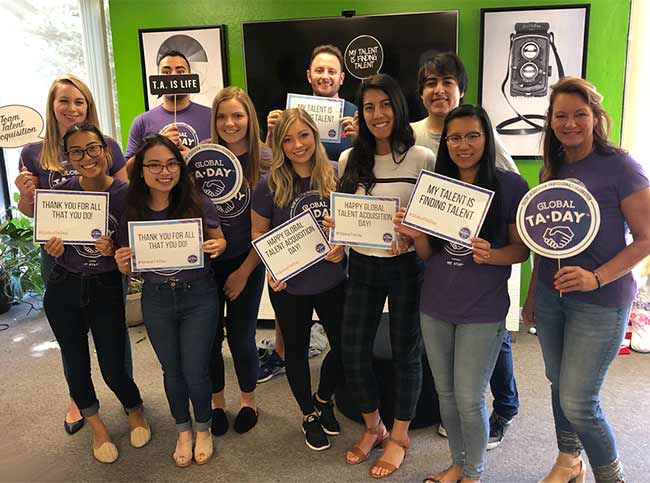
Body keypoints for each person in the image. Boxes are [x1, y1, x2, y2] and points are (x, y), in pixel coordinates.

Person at [522, 77, 650, 483]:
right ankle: (568, 461)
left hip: (603, 299)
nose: (570, 123)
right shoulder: (552, 167)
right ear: (551, 121)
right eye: (561, 115)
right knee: (559, 383)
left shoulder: (622, 166)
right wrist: (530, 297)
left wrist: (596, 277)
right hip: (551, 295)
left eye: (580, 114)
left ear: (596, 117)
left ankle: (611, 476)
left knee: (579, 399)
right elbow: (543, 242)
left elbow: (647, 239)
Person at [395, 105, 529, 483]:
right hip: (435, 305)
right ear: (445, 142)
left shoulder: (510, 185)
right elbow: (427, 255)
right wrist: (417, 235)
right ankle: (458, 462)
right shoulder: (435, 185)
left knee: (469, 398)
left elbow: (522, 251)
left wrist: (493, 254)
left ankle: (473, 471)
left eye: (473, 135)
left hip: (482, 310)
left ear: (487, 138)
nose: (463, 144)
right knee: (446, 395)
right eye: (455, 137)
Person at [413, 52, 520, 447]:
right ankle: (460, 432)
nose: (438, 90)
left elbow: (509, 194)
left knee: (488, 352)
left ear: (460, 90)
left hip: (484, 279)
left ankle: (505, 409)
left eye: (446, 82)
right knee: (450, 379)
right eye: (430, 83)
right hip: (440, 270)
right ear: (421, 92)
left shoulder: (493, 153)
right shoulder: (415, 138)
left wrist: (493, 251)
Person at [14, 74, 129, 436]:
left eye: (79, 102)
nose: (72, 108)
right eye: (64, 101)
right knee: (70, 332)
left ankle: (125, 392)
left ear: (88, 106)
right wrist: (25, 194)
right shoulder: (34, 152)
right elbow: (31, 212)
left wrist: (116, 241)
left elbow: (125, 200)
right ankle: (79, 399)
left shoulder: (106, 144)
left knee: (113, 331)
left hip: (104, 255)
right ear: (52, 105)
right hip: (58, 255)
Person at [336, 73, 434, 478]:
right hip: (362, 264)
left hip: (405, 266)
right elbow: (347, 217)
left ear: (398, 105)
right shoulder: (348, 160)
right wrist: (335, 227)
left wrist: (412, 233)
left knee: (405, 351)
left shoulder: (423, 158)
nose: (378, 114)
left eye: (385, 104)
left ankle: (399, 436)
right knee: (352, 349)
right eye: (369, 107)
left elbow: (431, 223)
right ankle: (373, 425)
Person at [33, 123, 149, 464]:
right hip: (63, 286)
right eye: (77, 152)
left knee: (114, 366)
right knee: (75, 362)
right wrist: (51, 247)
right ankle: (96, 425)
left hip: (105, 287)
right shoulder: (62, 195)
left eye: (93, 148)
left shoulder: (127, 195)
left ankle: (135, 409)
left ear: (106, 150)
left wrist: (116, 250)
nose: (87, 157)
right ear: (68, 158)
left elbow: (136, 251)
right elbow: (46, 234)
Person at [115, 134, 227, 467]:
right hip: (157, 298)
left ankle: (203, 427)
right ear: (141, 170)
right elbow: (128, 260)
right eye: (154, 165)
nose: (164, 172)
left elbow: (219, 239)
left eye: (171, 164)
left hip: (199, 296)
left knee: (195, 369)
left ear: (180, 166)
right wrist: (123, 264)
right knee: (172, 370)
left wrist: (217, 247)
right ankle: (183, 430)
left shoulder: (196, 202)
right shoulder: (131, 208)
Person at [260, 45, 358, 382]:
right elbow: (268, 163)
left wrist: (360, 139)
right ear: (309, 76)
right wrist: (272, 133)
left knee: (341, 334)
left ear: (342, 78)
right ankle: (282, 354)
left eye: (333, 71)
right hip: (293, 232)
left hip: (329, 226)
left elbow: (360, 183)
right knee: (293, 329)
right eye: (320, 70)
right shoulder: (290, 115)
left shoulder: (354, 116)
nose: (326, 76)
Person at [251, 108, 346, 451]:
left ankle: (323, 399)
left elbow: (350, 223)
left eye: (303, 135)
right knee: (295, 350)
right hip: (290, 285)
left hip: (333, 277)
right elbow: (259, 233)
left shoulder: (336, 174)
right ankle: (308, 414)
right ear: (278, 145)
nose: (296, 145)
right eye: (287, 139)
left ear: (315, 136)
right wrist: (272, 269)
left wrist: (343, 246)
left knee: (346, 347)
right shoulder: (269, 184)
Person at [187, 86, 266, 436]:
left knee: (241, 336)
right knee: (208, 338)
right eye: (222, 116)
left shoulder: (265, 159)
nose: (230, 123)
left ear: (249, 118)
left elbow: (270, 226)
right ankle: (217, 402)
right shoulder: (200, 159)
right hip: (206, 264)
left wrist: (243, 272)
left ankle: (248, 400)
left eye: (237, 115)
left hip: (248, 260)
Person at [125, 50, 212, 166]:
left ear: (190, 76)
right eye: (166, 72)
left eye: (180, 71)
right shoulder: (142, 121)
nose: (174, 76)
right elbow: (129, 171)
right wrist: (157, 145)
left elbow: (224, 160)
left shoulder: (211, 116)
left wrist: (193, 157)